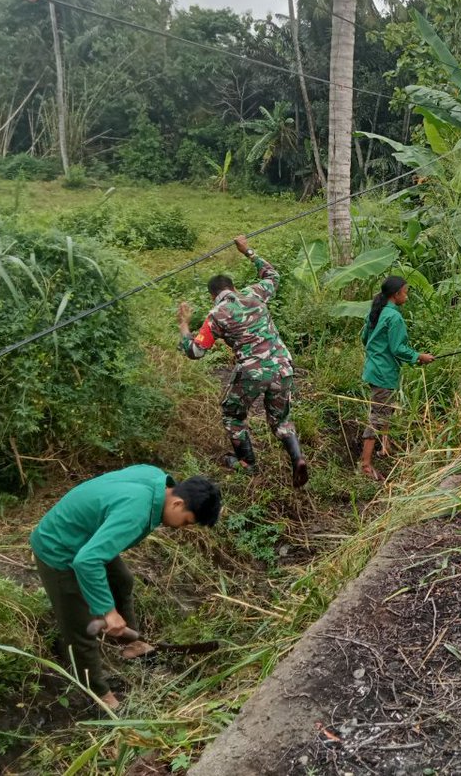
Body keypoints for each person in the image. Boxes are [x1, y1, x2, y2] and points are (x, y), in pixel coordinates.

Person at [30, 466, 221, 710]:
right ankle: (99, 694)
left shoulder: (156, 482)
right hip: (58, 548)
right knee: (82, 626)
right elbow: (86, 561)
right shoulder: (137, 512)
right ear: (177, 503)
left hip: (87, 537)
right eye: (186, 522)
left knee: (122, 581)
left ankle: (130, 644)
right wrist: (108, 612)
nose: (183, 528)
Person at [178, 236, 308, 488]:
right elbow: (273, 276)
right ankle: (298, 458)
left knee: (232, 413)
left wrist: (183, 325)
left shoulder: (216, 315)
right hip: (282, 364)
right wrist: (247, 250)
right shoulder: (254, 293)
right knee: (281, 420)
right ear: (234, 288)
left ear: (213, 295)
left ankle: (248, 463)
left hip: (253, 371)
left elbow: (195, 352)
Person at [360, 276, 434, 479]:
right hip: (384, 373)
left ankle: (385, 447)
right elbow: (397, 347)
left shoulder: (377, 312)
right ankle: (365, 464)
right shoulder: (394, 317)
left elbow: (364, 338)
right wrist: (419, 357)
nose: (407, 295)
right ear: (396, 294)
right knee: (378, 416)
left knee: (385, 409)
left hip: (373, 369)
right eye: (406, 292)